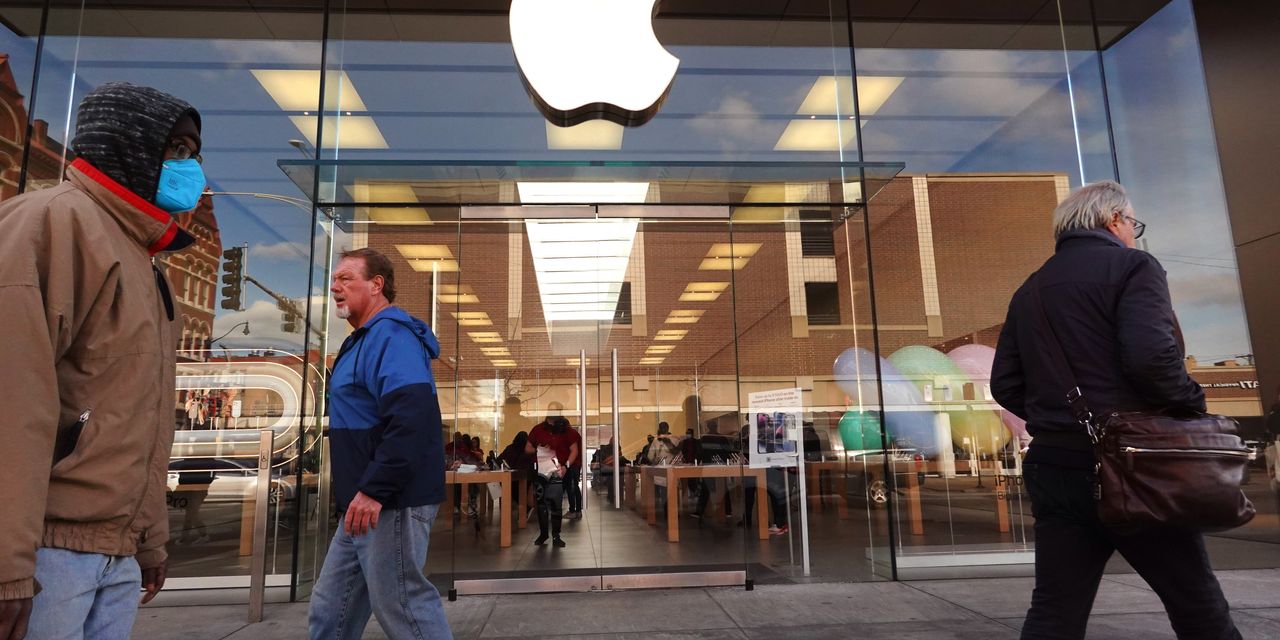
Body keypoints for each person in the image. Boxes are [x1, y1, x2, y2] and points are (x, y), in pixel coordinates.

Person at [0, 82, 206, 640]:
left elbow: (141, 415)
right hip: (46, 556)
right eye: (178, 150)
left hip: (114, 555)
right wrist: (7, 566)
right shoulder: (51, 224)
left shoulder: (144, 259)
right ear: (128, 147)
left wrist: (149, 538)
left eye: (194, 154)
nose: (192, 169)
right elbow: (13, 403)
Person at [991, 180, 1240, 640]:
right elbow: (1152, 359)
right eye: (1133, 224)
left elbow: (1004, 383)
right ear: (1113, 220)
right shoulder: (1134, 266)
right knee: (1198, 607)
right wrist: (1192, 403)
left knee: (1054, 613)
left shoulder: (1031, 289)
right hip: (1135, 468)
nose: (1132, 233)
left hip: (1056, 466)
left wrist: (1062, 421)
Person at [308, 248, 452, 640]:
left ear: (376, 285)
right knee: (329, 610)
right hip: (362, 502)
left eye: (346, 278)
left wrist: (375, 489)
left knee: (403, 607)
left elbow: (411, 420)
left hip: (388, 501)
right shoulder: (360, 341)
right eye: (334, 279)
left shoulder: (392, 336)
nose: (335, 287)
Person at [526, 416, 578, 547]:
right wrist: (538, 449)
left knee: (556, 504)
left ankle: (556, 535)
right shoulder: (538, 429)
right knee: (541, 504)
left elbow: (574, 450)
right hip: (540, 471)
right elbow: (527, 448)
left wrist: (566, 466)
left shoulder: (565, 430)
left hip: (557, 471)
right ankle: (544, 534)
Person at [563, 422, 584, 520]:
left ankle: (573, 511)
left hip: (572, 464)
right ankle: (578, 511)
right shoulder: (575, 433)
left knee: (571, 487)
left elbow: (572, 451)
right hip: (576, 463)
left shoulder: (569, 434)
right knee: (574, 487)